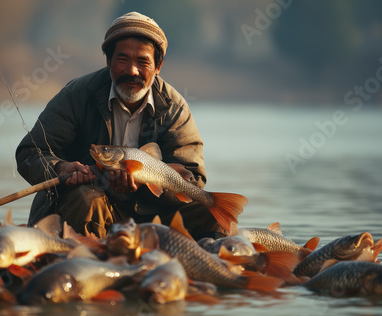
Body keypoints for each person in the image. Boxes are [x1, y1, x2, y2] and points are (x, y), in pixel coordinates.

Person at [16, 12, 226, 240]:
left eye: (143, 61)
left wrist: (148, 183)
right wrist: (61, 168)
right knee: (88, 199)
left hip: (151, 214)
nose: (132, 71)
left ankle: (209, 264)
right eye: (122, 59)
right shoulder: (76, 95)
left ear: (158, 66)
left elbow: (193, 177)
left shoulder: (174, 107)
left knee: (213, 214)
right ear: (108, 61)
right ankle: (87, 265)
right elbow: (30, 153)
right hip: (88, 207)